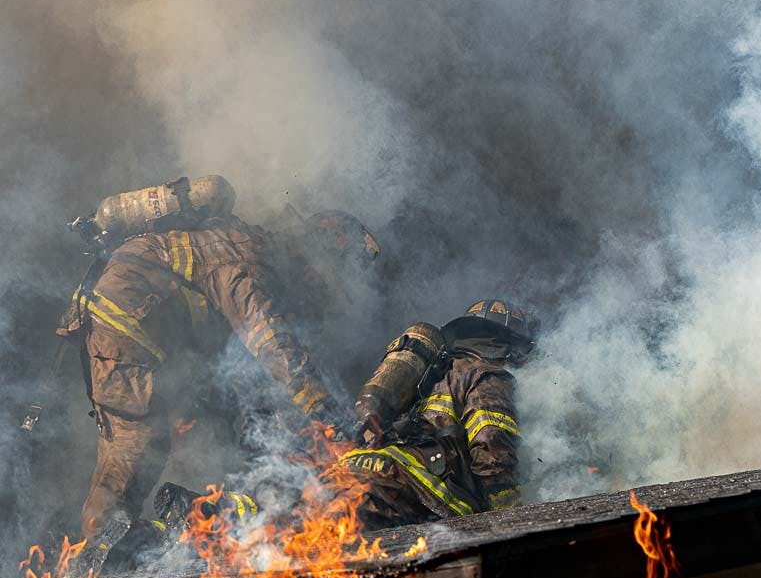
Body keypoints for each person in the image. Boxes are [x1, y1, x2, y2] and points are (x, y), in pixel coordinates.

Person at [62, 201, 379, 542]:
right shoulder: (248, 260)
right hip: (127, 313)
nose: (327, 286)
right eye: (332, 269)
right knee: (137, 437)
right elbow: (269, 340)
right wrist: (324, 412)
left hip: (123, 313)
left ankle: (99, 541)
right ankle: (98, 543)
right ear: (316, 253)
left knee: (135, 436)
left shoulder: (243, 246)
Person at [337, 299, 529, 529]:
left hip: (345, 478)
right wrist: (510, 522)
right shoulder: (487, 375)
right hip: (402, 491)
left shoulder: (429, 373)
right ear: (512, 349)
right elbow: (492, 447)